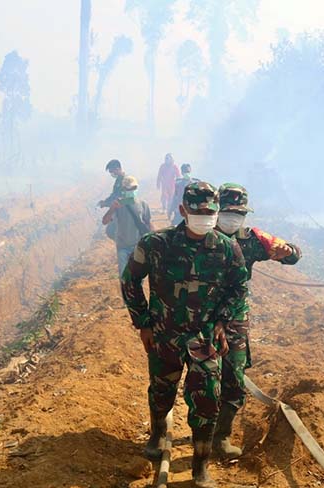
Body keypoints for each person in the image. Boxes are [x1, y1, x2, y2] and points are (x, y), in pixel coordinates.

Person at [121, 182, 248, 488]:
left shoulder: (228, 248)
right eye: (198, 211)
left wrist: (222, 319)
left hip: (204, 340)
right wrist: (144, 323)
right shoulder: (155, 244)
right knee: (161, 392)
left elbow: (238, 287)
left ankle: (200, 467)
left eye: (210, 212)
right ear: (183, 210)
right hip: (164, 336)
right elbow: (130, 281)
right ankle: (157, 435)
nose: (205, 216)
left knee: (207, 400)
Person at [213, 183, 302, 459]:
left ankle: (221, 437)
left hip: (235, 321)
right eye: (228, 211)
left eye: (238, 213)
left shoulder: (252, 239)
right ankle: (200, 429)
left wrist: (288, 251)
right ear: (217, 210)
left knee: (234, 379)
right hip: (199, 319)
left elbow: (290, 255)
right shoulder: (198, 235)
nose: (233, 217)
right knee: (200, 381)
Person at [101, 176, 152, 275]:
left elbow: (148, 223)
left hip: (138, 246)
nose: (131, 191)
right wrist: (112, 209)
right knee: (124, 276)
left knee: (138, 275)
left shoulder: (143, 204)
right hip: (123, 246)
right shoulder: (118, 205)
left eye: (133, 188)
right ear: (123, 190)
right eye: (128, 189)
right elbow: (105, 221)